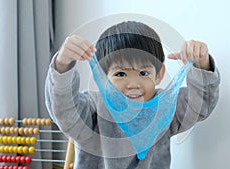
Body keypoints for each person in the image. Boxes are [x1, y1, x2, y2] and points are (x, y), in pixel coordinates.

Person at [45, 21, 220, 169]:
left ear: (158, 75)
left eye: (144, 73)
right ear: (102, 78)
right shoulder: (93, 107)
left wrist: (201, 63)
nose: (133, 84)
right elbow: (63, 109)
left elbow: (200, 104)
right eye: (121, 74)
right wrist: (63, 63)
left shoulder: (165, 107)